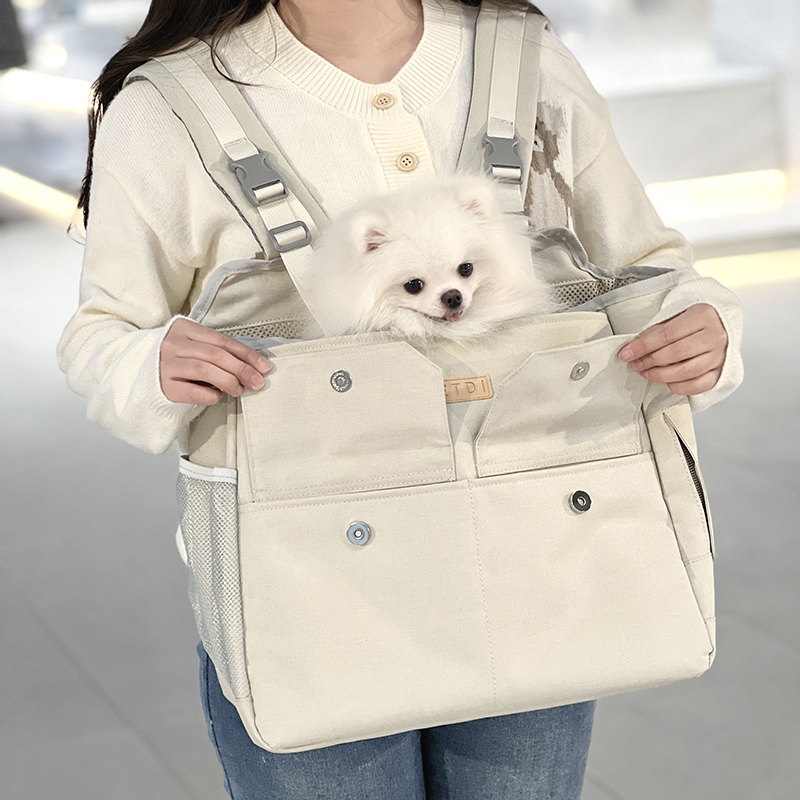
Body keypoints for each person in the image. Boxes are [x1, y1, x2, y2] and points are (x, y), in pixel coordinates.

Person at [58, 0, 743, 798]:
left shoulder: (523, 60)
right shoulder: (169, 107)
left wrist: (701, 324)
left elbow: (649, 265)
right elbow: (101, 334)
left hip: (535, 570)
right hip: (309, 596)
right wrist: (151, 361)